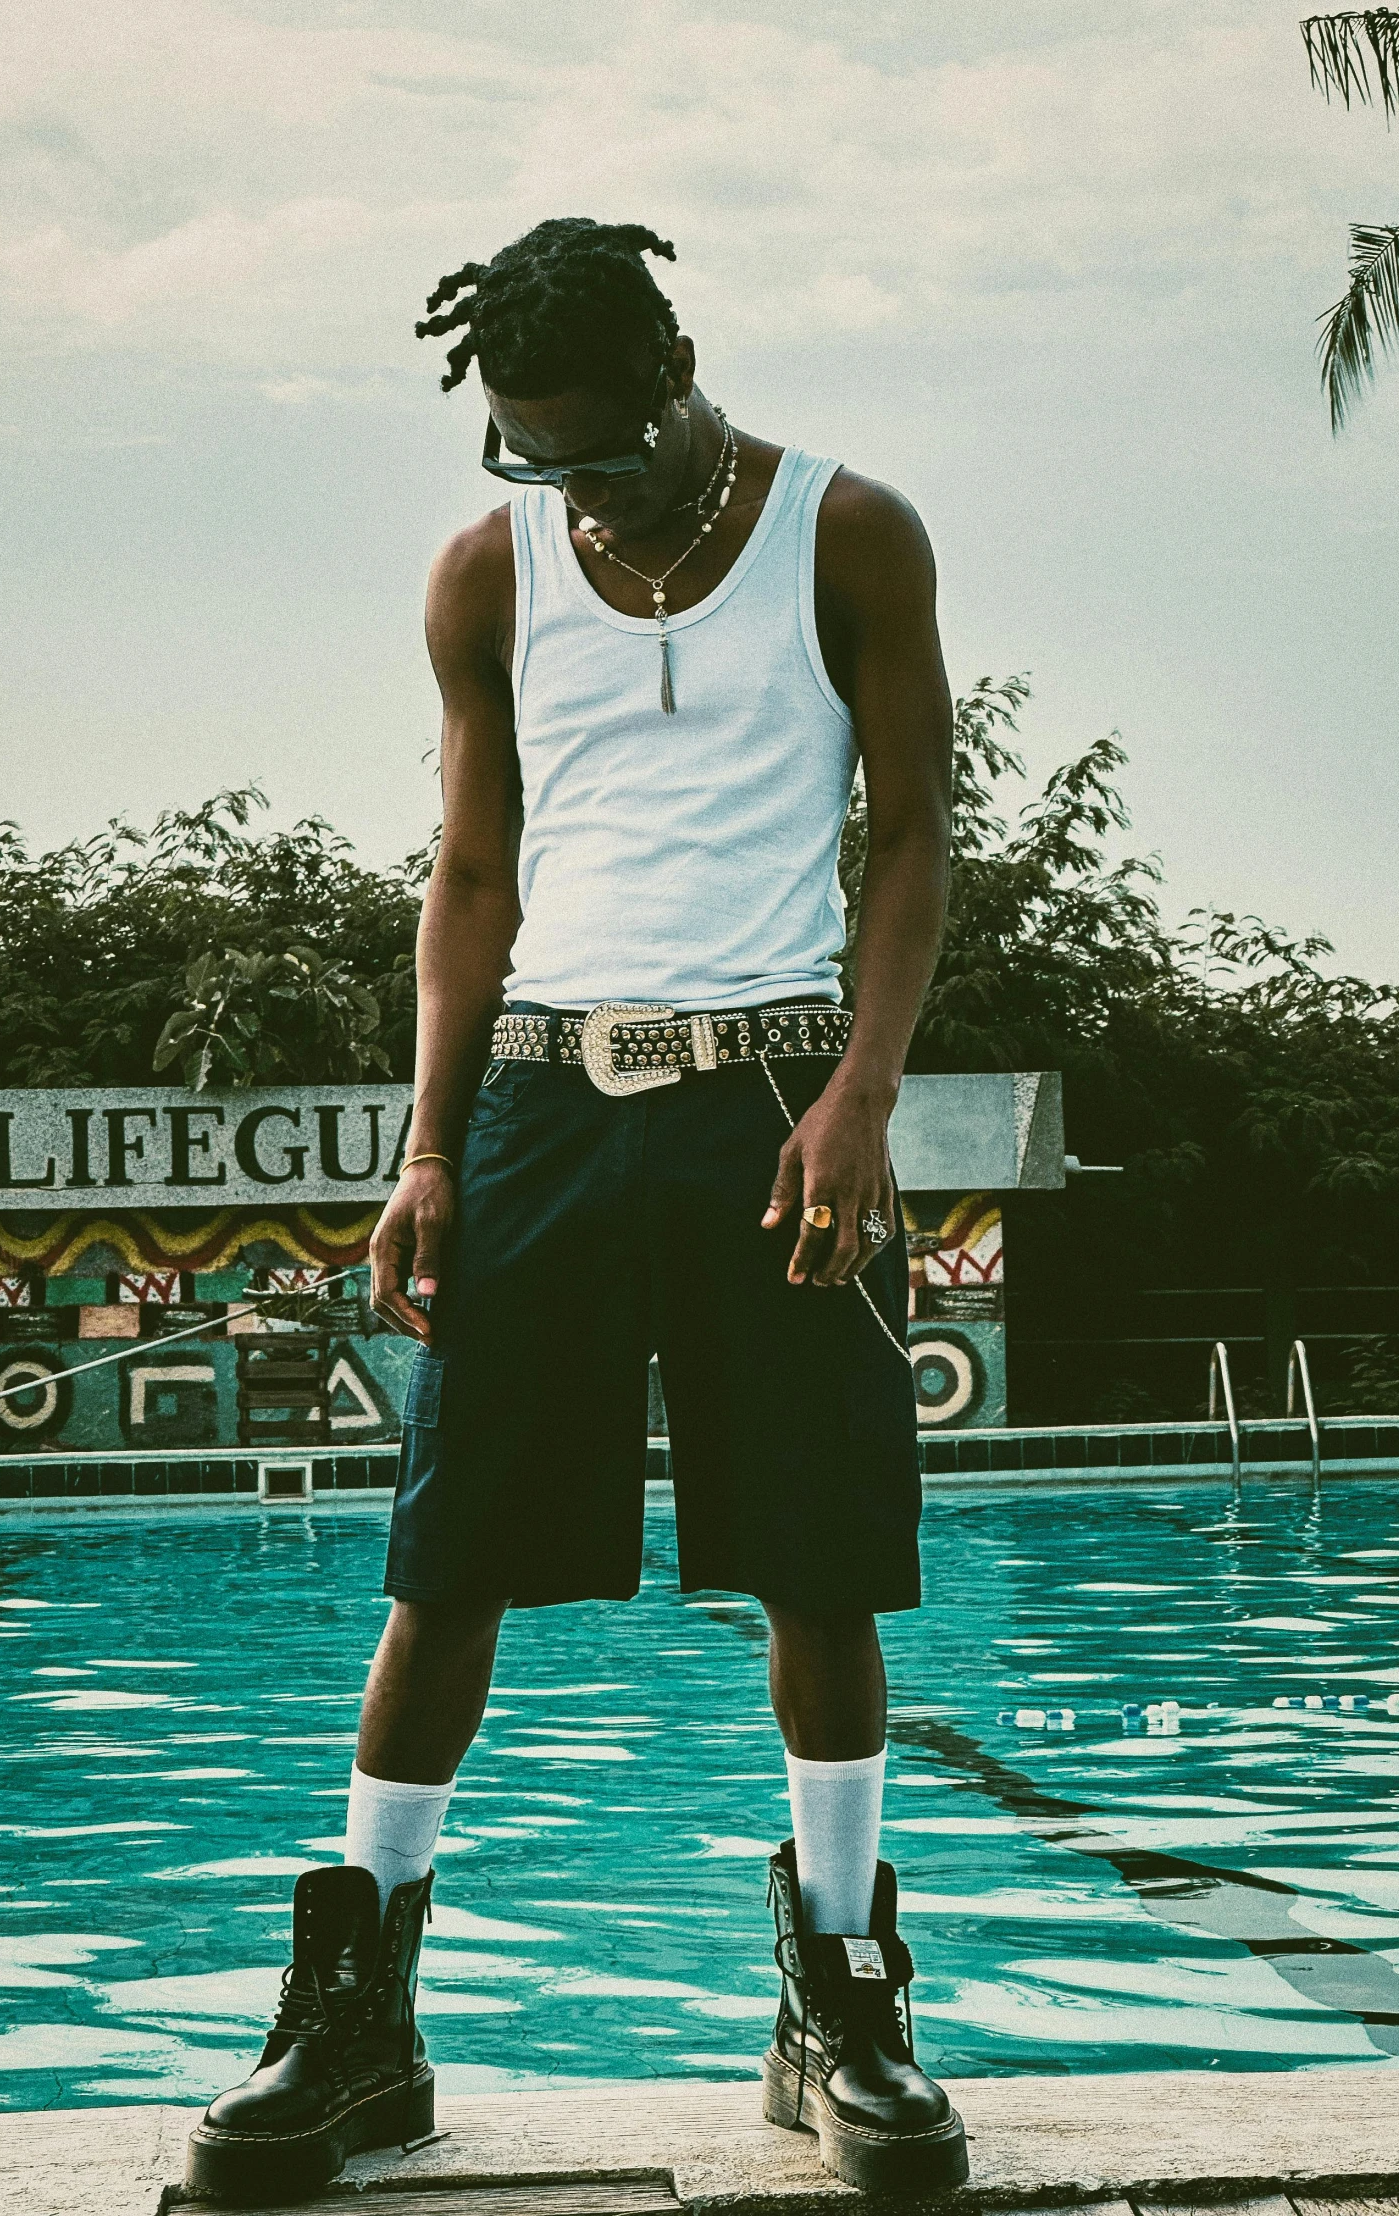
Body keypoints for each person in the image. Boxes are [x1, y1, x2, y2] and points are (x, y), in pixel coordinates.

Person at [186, 216, 962, 2204]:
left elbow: (911, 836)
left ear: (673, 379)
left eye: (589, 449)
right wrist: (429, 1142)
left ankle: (839, 1990)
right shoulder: (487, 573)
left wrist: (864, 1094)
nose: (557, 485)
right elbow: (468, 870)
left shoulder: (850, 535)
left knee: (818, 1550)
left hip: (779, 1091)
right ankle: (359, 2009)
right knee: (445, 1552)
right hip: (543, 1091)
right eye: (521, 451)